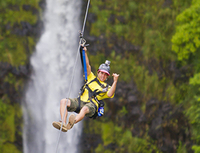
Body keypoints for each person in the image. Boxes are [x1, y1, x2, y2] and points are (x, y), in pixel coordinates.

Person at [52, 46, 119, 132]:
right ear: (98, 72)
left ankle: (72, 123)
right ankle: (63, 123)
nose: (103, 75)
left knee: (84, 109)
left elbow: (110, 94)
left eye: (105, 74)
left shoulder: (107, 87)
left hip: (91, 105)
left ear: (107, 76)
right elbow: (87, 66)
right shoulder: (91, 78)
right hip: (80, 101)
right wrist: (85, 53)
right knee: (63, 101)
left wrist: (115, 81)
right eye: (102, 73)